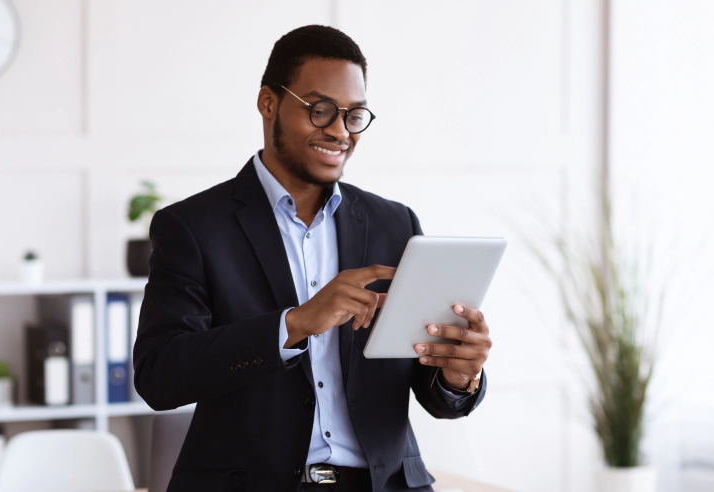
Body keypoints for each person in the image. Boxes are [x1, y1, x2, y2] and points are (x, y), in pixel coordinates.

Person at [133, 25, 491, 492]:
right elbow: (160, 376)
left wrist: (458, 377)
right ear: (268, 103)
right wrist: (295, 324)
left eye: (354, 115)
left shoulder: (395, 225)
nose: (340, 132)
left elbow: (434, 394)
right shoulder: (193, 227)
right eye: (321, 110)